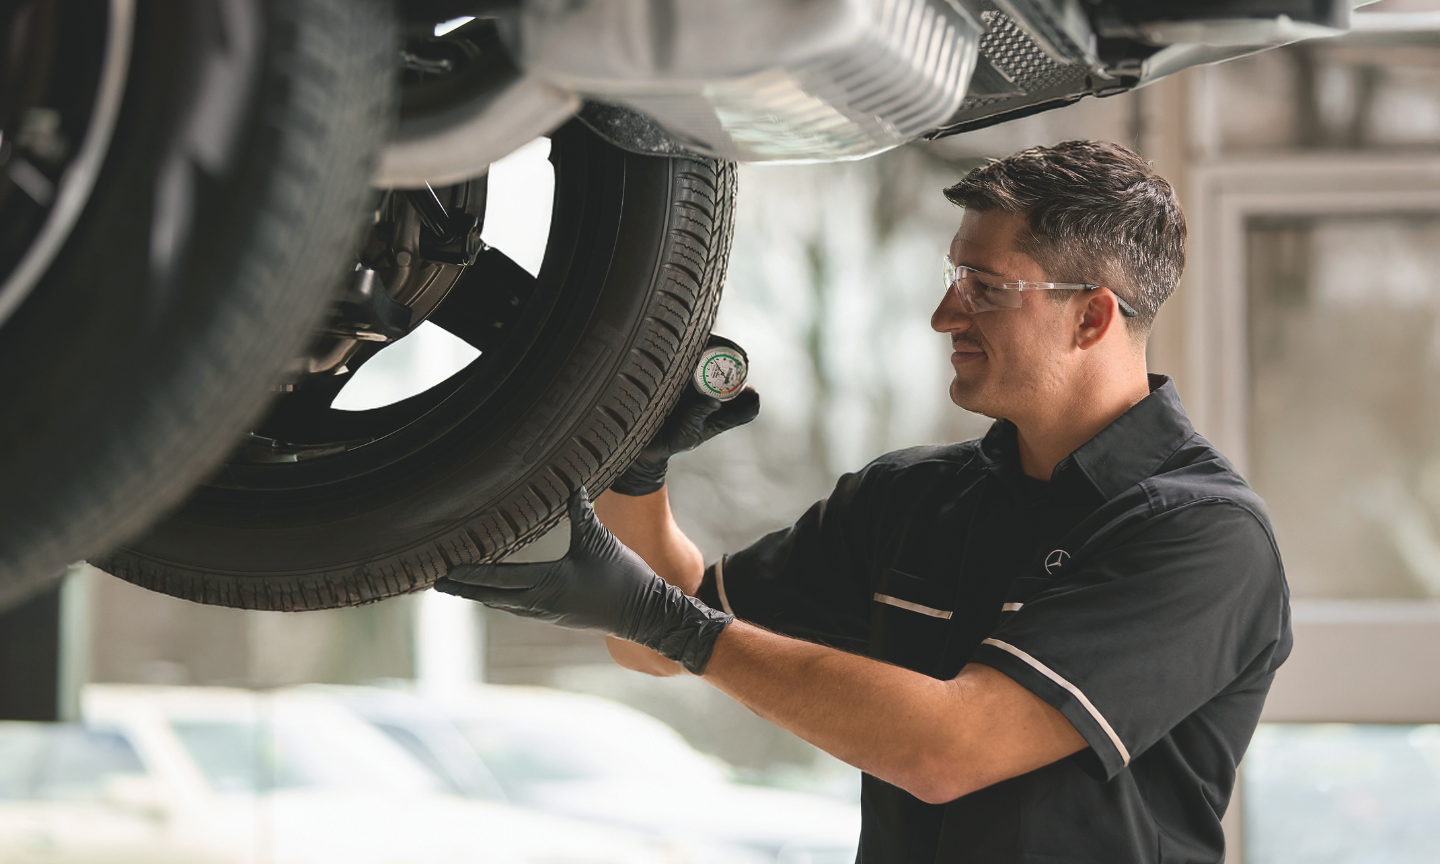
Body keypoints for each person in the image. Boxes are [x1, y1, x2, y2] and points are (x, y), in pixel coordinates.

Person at [436, 140, 1292, 863]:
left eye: (985, 287)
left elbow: (948, 747)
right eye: (955, 276)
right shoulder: (914, 499)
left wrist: (669, 622)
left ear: (1093, 319)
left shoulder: (1203, 537)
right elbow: (658, 643)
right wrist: (638, 471)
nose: (943, 314)